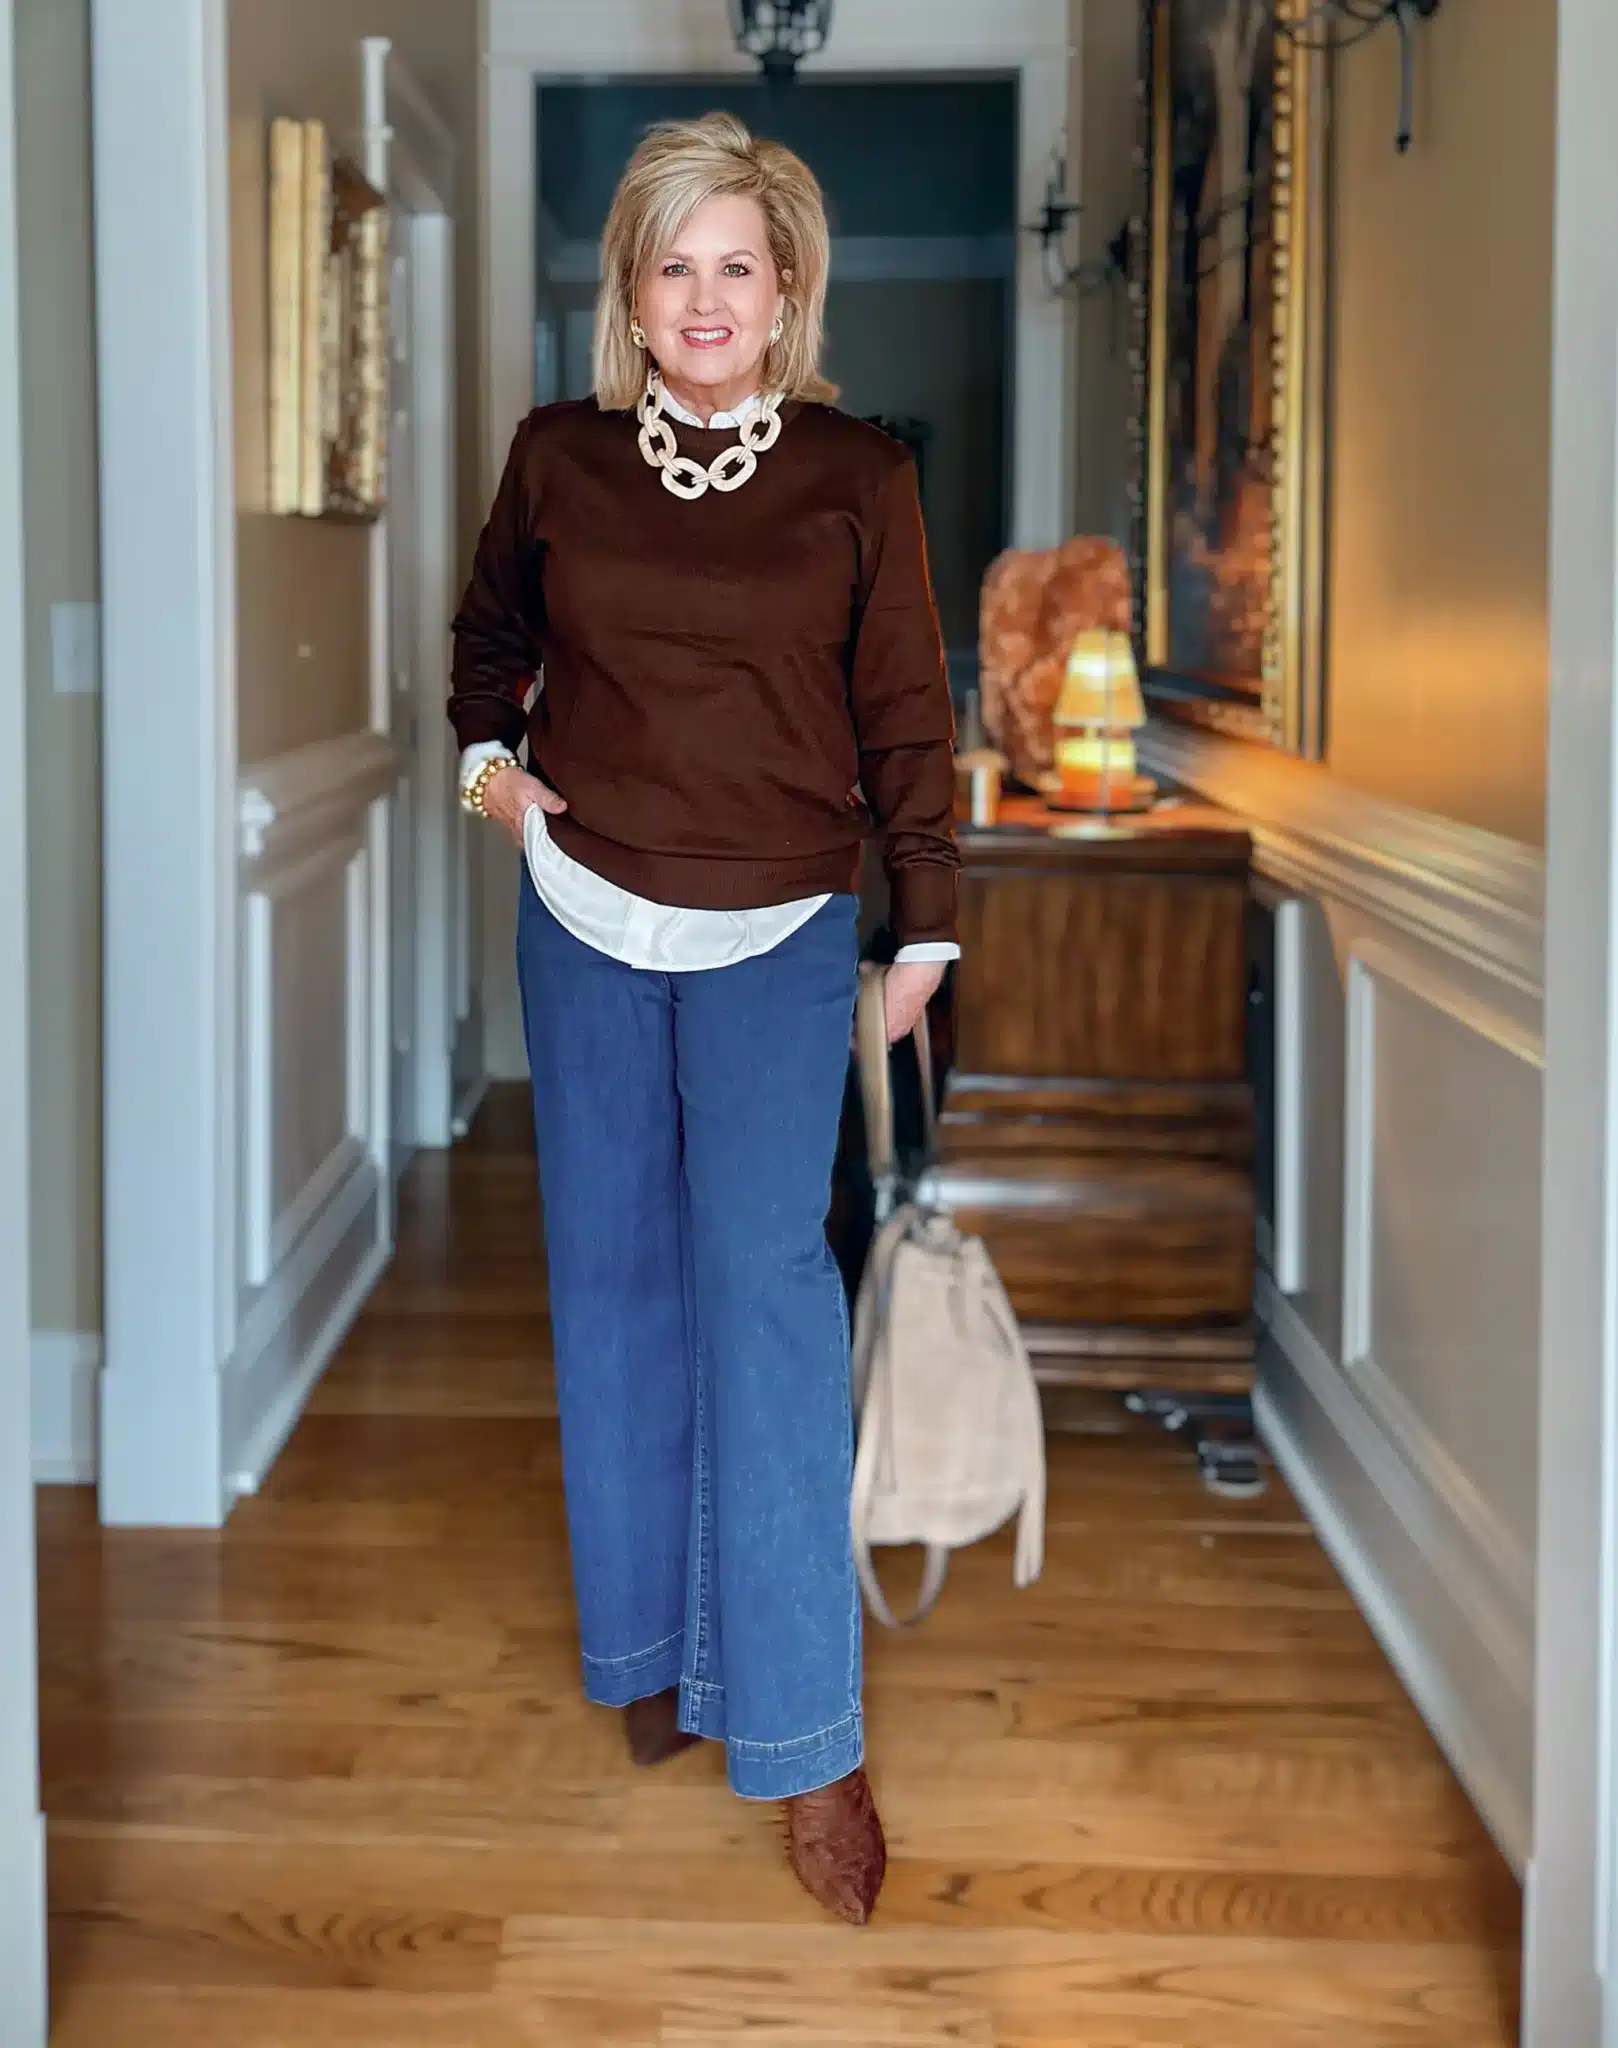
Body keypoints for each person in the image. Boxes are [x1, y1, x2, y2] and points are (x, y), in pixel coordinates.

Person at [448, 111, 959, 1925]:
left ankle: (811, 1740)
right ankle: (651, 1645)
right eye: (673, 261)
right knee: (613, 1285)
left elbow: (907, 714)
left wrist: (924, 935)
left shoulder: (853, 475)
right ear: (632, 292)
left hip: (784, 929)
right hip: (587, 915)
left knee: (763, 1300)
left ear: (788, 286)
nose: (706, 293)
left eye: (738, 262)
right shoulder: (556, 459)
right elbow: (483, 650)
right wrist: (498, 781)